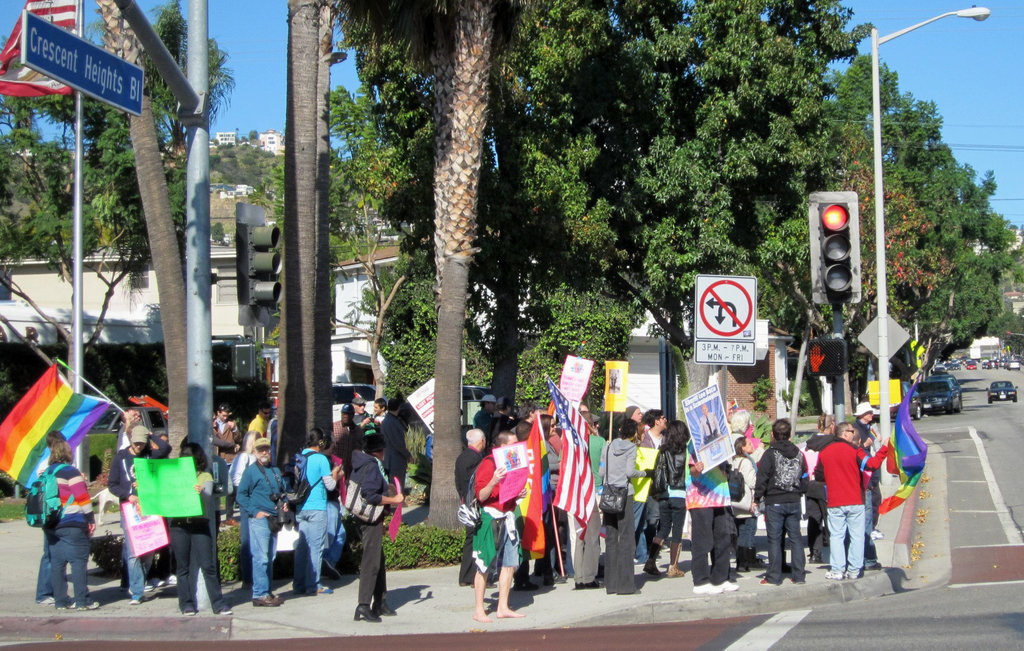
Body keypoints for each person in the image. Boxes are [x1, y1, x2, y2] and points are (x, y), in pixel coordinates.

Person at [815, 422, 889, 581]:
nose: (853, 432)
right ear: (845, 434)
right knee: (857, 536)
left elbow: (818, 474)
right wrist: (884, 449)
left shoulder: (825, 452)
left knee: (836, 536)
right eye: (851, 430)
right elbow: (872, 465)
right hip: (855, 500)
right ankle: (854, 570)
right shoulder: (856, 451)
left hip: (835, 501)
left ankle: (837, 570)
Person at [108, 425, 170, 604]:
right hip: (130, 509)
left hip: (150, 507)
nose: (138, 447)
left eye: (141, 444)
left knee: (150, 549)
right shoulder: (121, 458)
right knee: (134, 551)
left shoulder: (149, 453)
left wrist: (151, 435)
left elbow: (166, 448)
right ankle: (137, 591)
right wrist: (128, 494)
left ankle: (139, 581)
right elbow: (112, 484)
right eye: (136, 443)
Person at [169, 442, 232, 616]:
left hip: (199, 523)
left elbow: (208, 496)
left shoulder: (204, 476)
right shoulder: (174, 476)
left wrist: (200, 493)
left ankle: (218, 603)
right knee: (183, 567)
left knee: (208, 565)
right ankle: (186, 603)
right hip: (179, 524)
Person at [472, 430, 527, 622]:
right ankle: (479, 609)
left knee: (509, 564)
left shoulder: (512, 463)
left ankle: (503, 606)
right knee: (484, 564)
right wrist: (494, 480)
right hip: (491, 517)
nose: (517, 447)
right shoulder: (488, 463)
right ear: (503, 447)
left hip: (508, 515)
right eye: (513, 444)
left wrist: (518, 495)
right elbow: (481, 496)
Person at [352, 433, 405, 622]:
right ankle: (363, 605)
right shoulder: (372, 466)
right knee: (371, 562)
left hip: (365, 519)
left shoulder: (360, 462)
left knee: (378, 560)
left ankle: (380, 601)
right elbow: (370, 495)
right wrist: (394, 499)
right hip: (370, 520)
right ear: (380, 451)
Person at [44, 433, 98, 610]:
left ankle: (61, 601)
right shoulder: (70, 471)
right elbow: (82, 497)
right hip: (72, 521)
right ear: (67, 453)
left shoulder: (47, 472)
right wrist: (90, 518)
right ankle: (82, 601)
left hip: (51, 523)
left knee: (58, 564)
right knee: (78, 562)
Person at [753, 419, 808, 585]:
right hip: (793, 499)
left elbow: (762, 478)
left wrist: (757, 497)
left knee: (775, 539)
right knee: (795, 538)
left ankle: (774, 576)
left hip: (774, 500)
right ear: (790, 434)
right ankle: (799, 575)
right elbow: (805, 476)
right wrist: (801, 490)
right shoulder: (799, 454)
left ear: (773, 435)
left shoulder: (770, 454)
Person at [236, 436, 286, 607]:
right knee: (261, 557)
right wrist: (254, 512)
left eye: (267, 449)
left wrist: (284, 504)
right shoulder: (251, 471)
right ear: (255, 452)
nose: (265, 452)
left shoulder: (275, 470)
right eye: (261, 449)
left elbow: (282, 491)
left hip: (274, 518)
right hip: (259, 519)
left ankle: (267, 592)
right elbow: (240, 495)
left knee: (270, 557)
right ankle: (259, 593)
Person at [292, 428, 341, 596]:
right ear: (320, 443)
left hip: (301, 508)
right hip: (317, 507)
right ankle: (314, 584)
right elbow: (330, 486)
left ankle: (298, 584)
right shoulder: (321, 459)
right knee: (316, 547)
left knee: (302, 547)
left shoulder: (300, 456)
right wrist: (335, 474)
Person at [600, 421, 647, 595]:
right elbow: (629, 472)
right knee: (626, 538)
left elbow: (601, 472)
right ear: (634, 433)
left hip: (608, 493)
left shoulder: (608, 446)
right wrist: (643, 473)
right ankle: (626, 585)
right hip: (624, 494)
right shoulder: (631, 448)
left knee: (611, 539)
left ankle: (610, 584)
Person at [687, 437, 737, 595]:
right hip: (700, 498)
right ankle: (700, 580)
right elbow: (692, 470)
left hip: (720, 495)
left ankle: (720, 578)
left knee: (723, 538)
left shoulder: (719, 440)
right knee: (702, 540)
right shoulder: (694, 442)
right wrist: (697, 468)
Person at [651, 420, 689, 578]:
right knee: (677, 532)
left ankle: (650, 560)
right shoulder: (686, 451)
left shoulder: (662, 450)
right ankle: (673, 566)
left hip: (665, 494)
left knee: (663, 529)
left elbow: (657, 471)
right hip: (679, 494)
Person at [575, 413, 605, 589]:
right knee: (593, 536)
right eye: (595, 423)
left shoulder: (570, 443)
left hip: (575, 492)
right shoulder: (598, 442)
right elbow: (603, 467)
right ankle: (589, 576)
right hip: (594, 490)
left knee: (580, 536)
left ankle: (579, 577)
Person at [455, 428, 486, 587]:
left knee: (470, 540)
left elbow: (459, 482)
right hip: (474, 503)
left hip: (466, 501)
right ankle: (476, 576)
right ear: (481, 441)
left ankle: (465, 576)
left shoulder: (462, 457)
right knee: (478, 539)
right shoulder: (475, 458)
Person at [803, 414, 835, 564]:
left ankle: (815, 552)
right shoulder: (832, 444)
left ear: (817, 427)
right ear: (832, 426)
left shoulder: (809, 444)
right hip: (826, 484)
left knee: (814, 519)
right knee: (830, 518)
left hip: (810, 485)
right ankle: (834, 550)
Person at [639, 409, 667, 575]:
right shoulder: (644, 439)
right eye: (662, 418)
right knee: (652, 518)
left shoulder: (665, 440)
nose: (665, 420)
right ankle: (650, 545)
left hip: (663, 485)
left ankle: (655, 545)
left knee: (660, 517)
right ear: (656, 421)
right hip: (648, 485)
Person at [230, 431, 259, 586]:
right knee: (247, 539)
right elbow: (235, 477)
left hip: (260, 503)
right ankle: (248, 578)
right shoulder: (244, 457)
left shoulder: (261, 458)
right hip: (248, 502)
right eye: (257, 439)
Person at [731, 434, 761, 573]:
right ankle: (747, 560)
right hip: (747, 502)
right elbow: (752, 482)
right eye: (749, 444)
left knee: (739, 532)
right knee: (748, 532)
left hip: (736, 503)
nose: (752, 446)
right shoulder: (747, 462)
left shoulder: (733, 461)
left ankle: (740, 560)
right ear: (742, 447)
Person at [380, 398, 412, 489]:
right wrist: (407, 454)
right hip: (395, 459)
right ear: (398, 408)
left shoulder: (389, 420)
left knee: (395, 485)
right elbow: (397, 442)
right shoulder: (392, 422)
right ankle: (397, 503)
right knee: (397, 486)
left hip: (391, 458)